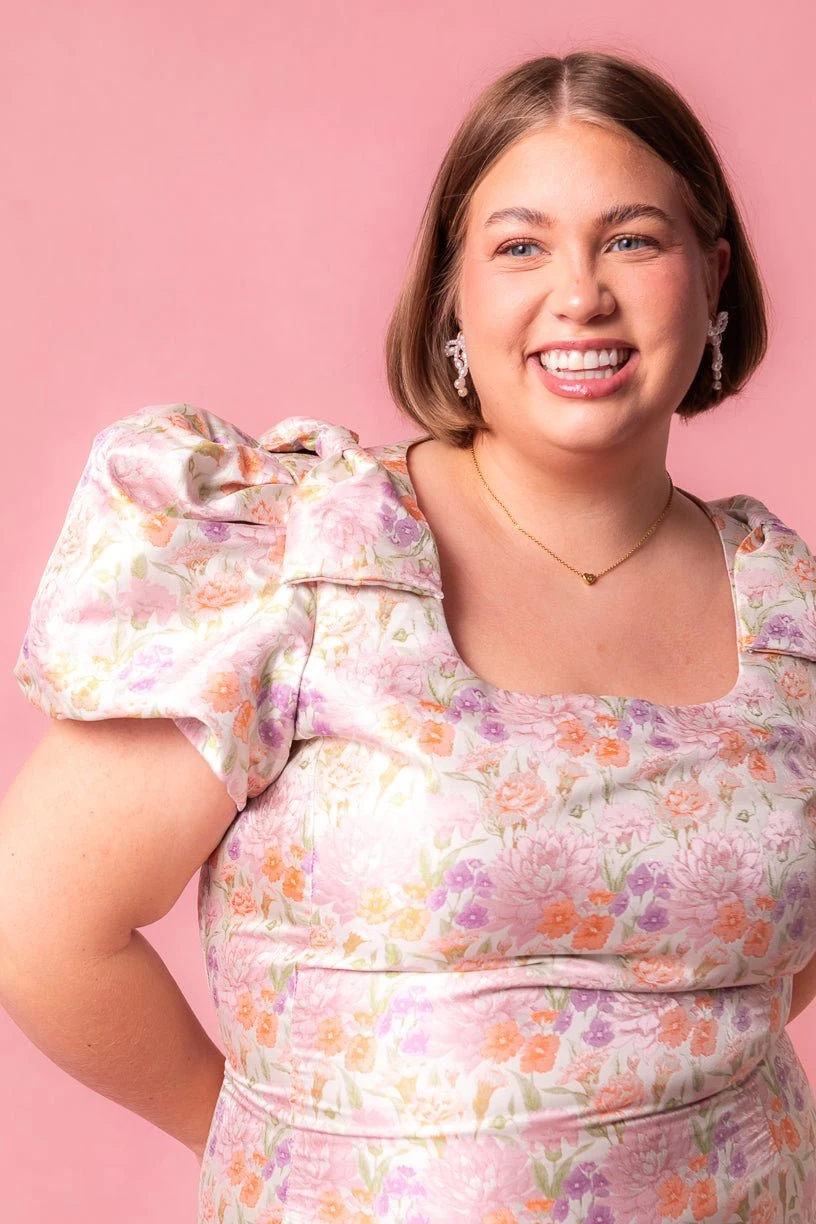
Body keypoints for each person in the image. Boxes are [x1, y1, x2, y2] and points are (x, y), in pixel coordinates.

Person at [2, 46, 816, 1224]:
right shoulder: (303, 551)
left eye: (633, 240)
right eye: (520, 247)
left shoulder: (789, 611)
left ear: (714, 277)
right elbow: (41, 922)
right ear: (452, 298)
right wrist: (266, 1150)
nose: (580, 294)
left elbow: (765, 963)